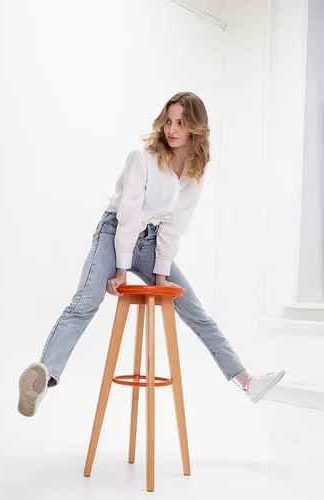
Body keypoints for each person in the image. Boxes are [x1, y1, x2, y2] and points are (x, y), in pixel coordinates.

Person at [17, 92, 285, 417]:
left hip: (153, 242)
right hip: (115, 231)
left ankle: (247, 381)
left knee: (195, 310)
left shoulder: (194, 174)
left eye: (181, 123)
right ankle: (45, 377)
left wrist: (161, 275)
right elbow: (128, 215)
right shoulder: (141, 159)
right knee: (86, 302)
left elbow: (174, 227)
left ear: (195, 129)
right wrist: (120, 268)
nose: (172, 130)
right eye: (169, 121)